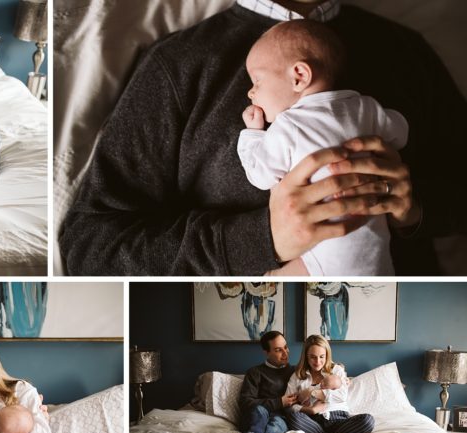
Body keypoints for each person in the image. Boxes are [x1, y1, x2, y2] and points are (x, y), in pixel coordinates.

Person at [59, 0, 467, 275]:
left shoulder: (406, 54)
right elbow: (89, 245)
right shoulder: (180, 63)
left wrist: (417, 207)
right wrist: (259, 238)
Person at [237, 19, 407, 276]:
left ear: (299, 77)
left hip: (323, 257)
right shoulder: (366, 107)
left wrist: (252, 134)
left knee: (269, 280)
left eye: (257, 82)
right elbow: (400, 131)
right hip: (376, 250)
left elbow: (260, 174)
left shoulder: (289, 125)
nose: (251, 93)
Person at [226, 330, 297, 433]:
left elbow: (320, 368)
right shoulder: (255, 372)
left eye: (286, 347)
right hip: (257, 416)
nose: (285, 353)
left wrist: (339, 370)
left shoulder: (296, 372)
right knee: (259, 411)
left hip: (280, 418)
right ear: (266, 352)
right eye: (278, 350)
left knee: (276, 425)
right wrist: (278, 402)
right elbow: (245, 402)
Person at [284, 335, 375, 433]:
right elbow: (289, 406)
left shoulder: (337, 370)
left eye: (321, 357)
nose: (317, 362)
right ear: (306, 356)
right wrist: (310, 410)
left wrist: (312, 392)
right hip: (312, 420)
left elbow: (342, 395)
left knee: (368, 421)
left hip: (339, 419)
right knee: (294, 418)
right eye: (313, 357)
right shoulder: (297, 376)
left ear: (327, 355)